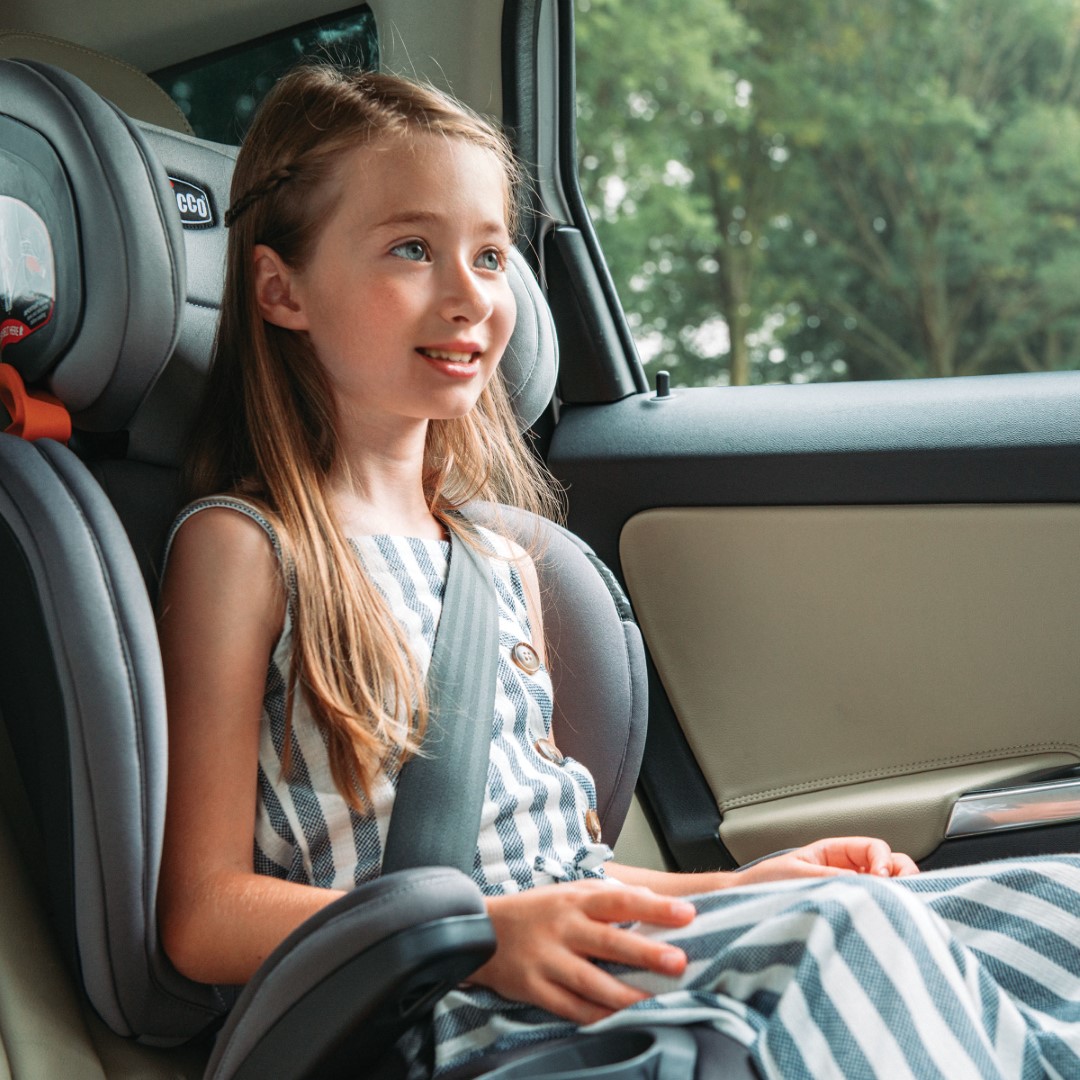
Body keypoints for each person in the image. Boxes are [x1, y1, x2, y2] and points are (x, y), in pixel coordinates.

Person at [157, 63, 1080, 1080]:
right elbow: (201, 916)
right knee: (853, 935)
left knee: (1049, 907)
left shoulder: (496, 562)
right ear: (281, 289)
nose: (470, 295)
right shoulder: (248, 550)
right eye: (412, 249)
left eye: (491, 255)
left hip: (575, 977)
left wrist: (745, 891)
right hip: (440, 1013)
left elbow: (567, 880)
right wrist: (480, 938)